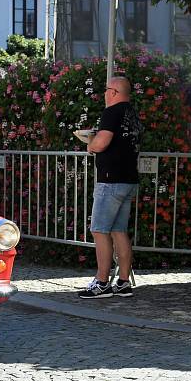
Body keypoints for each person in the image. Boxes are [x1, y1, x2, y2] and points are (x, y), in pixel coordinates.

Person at [77, 77, 141, 299]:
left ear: (113, 92)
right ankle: (123, 282)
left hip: (110, 180)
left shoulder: (112, 112)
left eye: (106, 90)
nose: (104, 94)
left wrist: (90, 143)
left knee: (100, 230)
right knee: (119, 231)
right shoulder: (132, 113)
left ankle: (102, 282)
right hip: (128, 179)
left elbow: (102, 142)